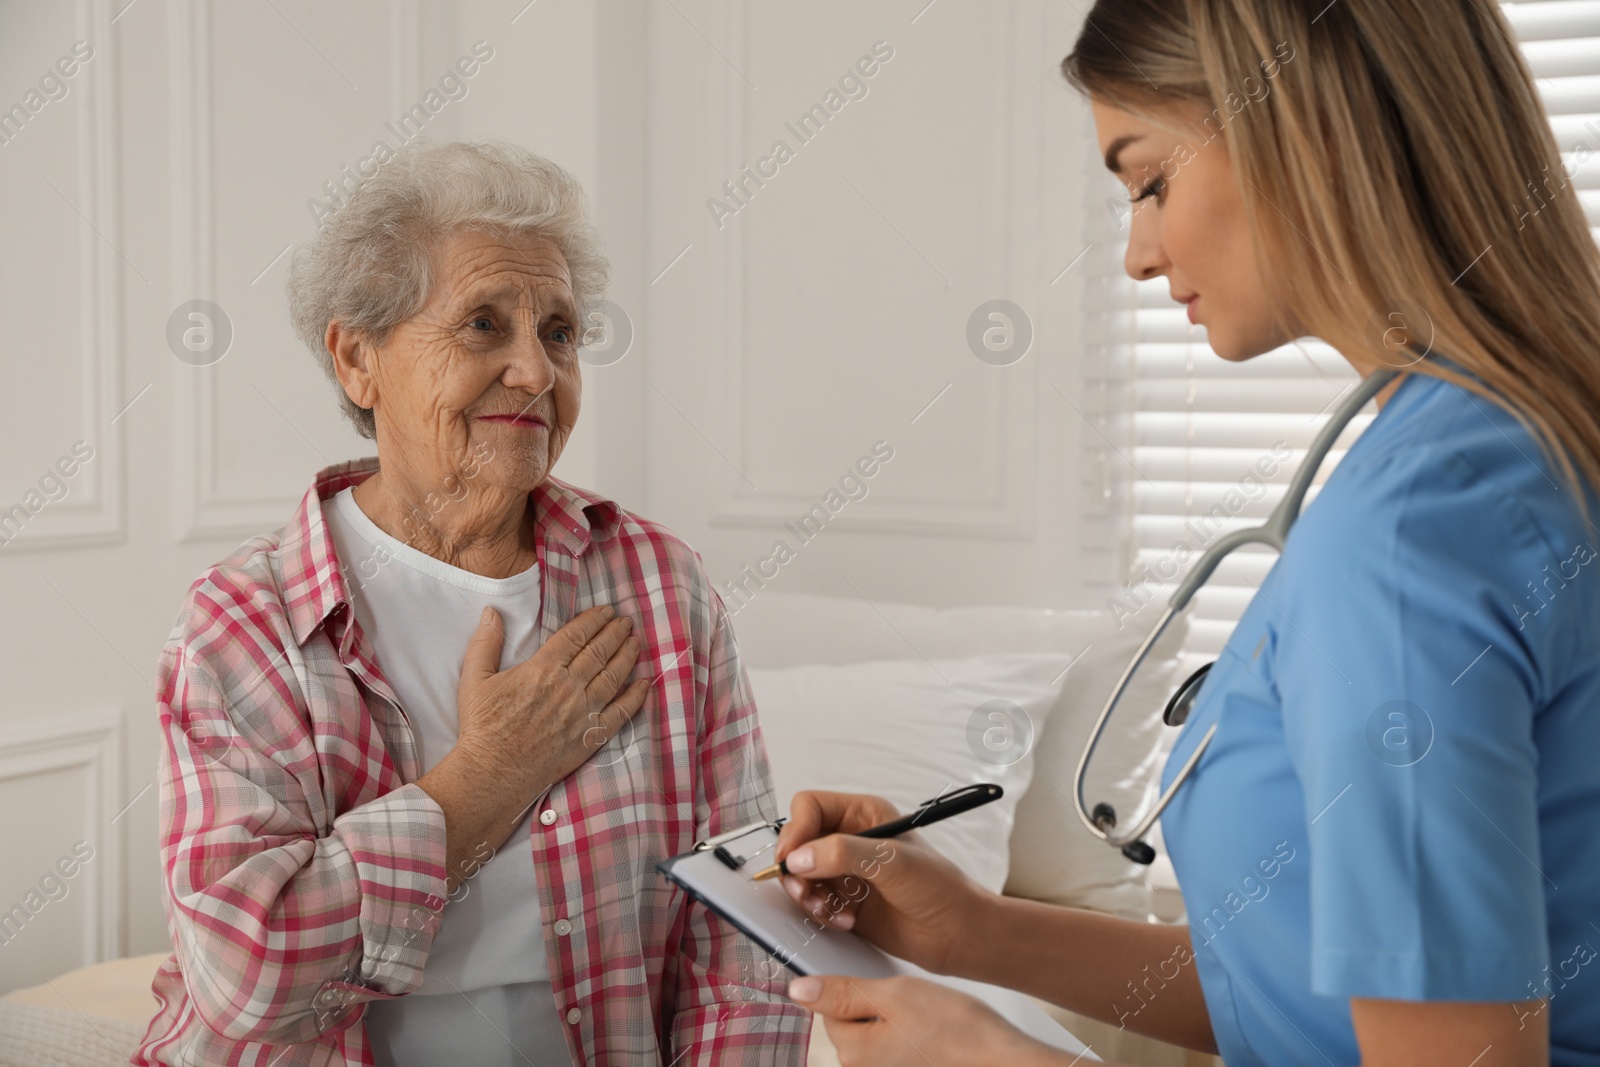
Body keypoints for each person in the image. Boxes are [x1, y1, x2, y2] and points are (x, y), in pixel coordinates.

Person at [771, 2, 1600, 1065]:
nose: (1137, 254)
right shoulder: (1517, 450)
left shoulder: (1401, 542)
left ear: (1303, 124)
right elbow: (1326, 1003)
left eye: (1149, 180)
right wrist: (977, 930)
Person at [134, 140, 810, 1067]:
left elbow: (748, 939)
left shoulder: (663, 586)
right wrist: (488, 776)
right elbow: (243, 976)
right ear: (357, 358)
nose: (536, 371)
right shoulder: (246, 623)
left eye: (562, 332)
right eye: (485, 324)